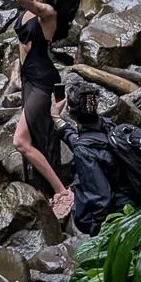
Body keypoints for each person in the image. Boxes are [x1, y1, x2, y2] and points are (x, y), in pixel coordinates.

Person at [9, 0, 79, 217]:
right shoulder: (36, 2)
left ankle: (62, 191)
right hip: (29, 77)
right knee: (37, 134)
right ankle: (49, 187)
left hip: (41, 81)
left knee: (20, 141)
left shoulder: (47, 12)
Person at [51, 81, 133, 235]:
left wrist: (97, 235)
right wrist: (57, 120)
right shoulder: (108, 126)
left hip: (120, 216)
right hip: (131, 198)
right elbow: (83, 142)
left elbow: (102, 200)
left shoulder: (84, 151)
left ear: (69, 111)